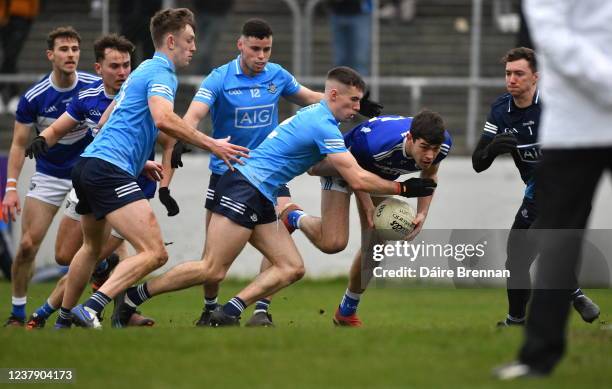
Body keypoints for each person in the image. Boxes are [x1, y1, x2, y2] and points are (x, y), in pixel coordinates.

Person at [106, 66, 437, 329]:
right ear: (334, 95)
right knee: (211, 269)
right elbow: (355, 177)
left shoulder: (323, 118)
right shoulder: (324, 125)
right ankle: (133, 297)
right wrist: (404, 189)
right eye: (353, 102)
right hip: (245, 186)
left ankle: (231, 310)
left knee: (291, 267)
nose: (357, 109)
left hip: (261, 193)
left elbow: (339, 171)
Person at [177, 18, 382, 327]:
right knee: (214, 260)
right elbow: (193, 115)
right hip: (227, 170)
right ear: (241, 45)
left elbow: (312, 97)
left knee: (278, 243)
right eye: (256, 49)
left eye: (267, 49)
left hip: (269, 172)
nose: (262, 56)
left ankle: (261, 308)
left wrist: (358, 105)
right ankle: (210, 306)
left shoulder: (276, 75)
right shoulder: (219, 79)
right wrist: (186, 136)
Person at [51, 8, 247, 329]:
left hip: (88, 163)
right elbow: (163, 118)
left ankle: (61, 324)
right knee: (154, 252)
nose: (193, 47)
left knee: (90, 249)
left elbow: (103, 122)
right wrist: (213, 144)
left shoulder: (141, 70)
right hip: (108, 169)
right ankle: (91, 308)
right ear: (171, 41)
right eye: (189, 40)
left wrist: (138, 160)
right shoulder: (161, 73)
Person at [22, 33, 175, 329]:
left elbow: (170, 137)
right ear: (98, 68)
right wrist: (43, 139)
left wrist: (166, 180)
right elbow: (62, 129)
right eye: (114, 66)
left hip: (125, 184)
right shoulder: (87, 97)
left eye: (126, 65)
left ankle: (67, 314)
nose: (122, 72)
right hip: (96, 175)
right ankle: (94, 302)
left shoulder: (144, 91)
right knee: (68, 255)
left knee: (130, 253)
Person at [494, 0, 612, 378]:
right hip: (574, 126)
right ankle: (538, 356)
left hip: (575, 118)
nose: (512, 79)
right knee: (558, 238)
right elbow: (556, 40)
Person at [472, 47, 599, 328]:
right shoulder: (500, 111)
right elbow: (478, 163)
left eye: (519, 73)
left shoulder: (556, 105)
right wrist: (492, 150)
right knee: (515, 262)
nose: (512, 79)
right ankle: (516, 320)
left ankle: (573, 294)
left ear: (536, 77)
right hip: (536, 195)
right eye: (508, 73)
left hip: (569, 192)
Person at [289, 110, 451, 326]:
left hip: (374, 175)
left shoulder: (442, 143)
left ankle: (346, 312)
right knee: (333, 242)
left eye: (434, 149)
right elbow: (356, 177)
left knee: (376, 243)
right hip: (339, 165)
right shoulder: (377, 147)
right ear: (410, 139)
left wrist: (422, 213)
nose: (430, 155)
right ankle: (292, 216)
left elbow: (429, 176)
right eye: (424, 148)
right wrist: (368, 207)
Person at [2, 26, 100, 327]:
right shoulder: (34, 96)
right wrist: (11, 188)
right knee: (28, 245)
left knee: (103, 246)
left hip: (86, 174)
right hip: (49, 175)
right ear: (50, 55)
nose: (70, 55)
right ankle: (18, 312)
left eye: (75, 49)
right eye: (64, 50)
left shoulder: (93, 86)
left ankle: (119, 309)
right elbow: (18, 144)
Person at [0, 0, 39, 115]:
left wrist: (31, 14)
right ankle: (13, 95)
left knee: (11, 55)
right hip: (4, 16)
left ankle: (11, 94)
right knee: (9, 57)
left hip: (21, 15)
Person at [328, 0, 372, 76]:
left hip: (360, 13)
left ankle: (358, 87)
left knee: (359, 59)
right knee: (340, 59)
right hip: (337, 12)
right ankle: (341, 86)